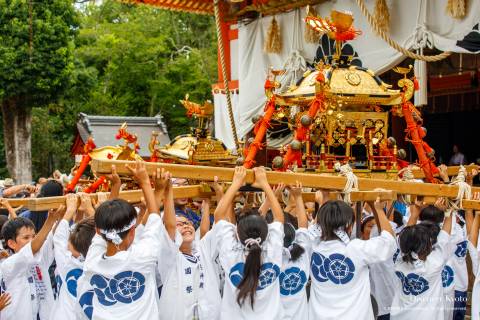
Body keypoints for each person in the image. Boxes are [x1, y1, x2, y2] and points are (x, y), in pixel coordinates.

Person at [76, 161, 171, 320]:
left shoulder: (92, 261)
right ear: (132, 231)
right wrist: (146, 183)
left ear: (98, 231)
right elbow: (154, 215)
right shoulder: (143, 257)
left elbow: (105, 222)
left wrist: (116, 187)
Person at [215, 166, 285, 320]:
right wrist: (265, 184)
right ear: (266, 232)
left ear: (236, 233)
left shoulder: (231, 253)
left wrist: (236, 184)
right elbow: (279, 218)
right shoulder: (272, 251)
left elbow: (219, 215)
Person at [309, 199, 396, 319]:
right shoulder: (355, 248)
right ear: (349, 226)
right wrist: (379, 210)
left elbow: (314, 228)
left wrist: (322, 202)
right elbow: (389, 242)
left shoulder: (313, 246)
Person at [155, 168, 222, 320]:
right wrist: (168, 190)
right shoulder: (169, 256)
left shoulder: (202, 249)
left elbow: (219, 223)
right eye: (180, 224)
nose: (186, 225)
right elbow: (170, 227)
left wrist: (217, 193)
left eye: (187, 223)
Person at [390, 204, 453, 320]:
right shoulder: (434, 264)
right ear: (427, 246)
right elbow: (445, 237)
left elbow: (405, 237)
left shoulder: (399, 260)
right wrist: (449, 212)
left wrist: (415, 213)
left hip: (400, 316)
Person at [0, 209, 62, 319]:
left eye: (34, 236)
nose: (32, 240)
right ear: (11, 243)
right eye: (26, 238)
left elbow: (52, 235)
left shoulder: (40, 259)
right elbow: (32, 248)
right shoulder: (8, 265)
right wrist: (49, 220)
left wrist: (62, 216)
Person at [49, 194, 96, 320]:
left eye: (69, 240)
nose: (67, 243)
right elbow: (101, 237)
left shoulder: (67, 262)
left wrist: (69, 211)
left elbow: (59, 238)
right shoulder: (99, 260)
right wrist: (89, 210)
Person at [279, 182, 310, 320]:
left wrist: (270, 197)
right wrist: (298, 197)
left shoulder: (269, 258)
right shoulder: (303, 253)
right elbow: (303, 225)